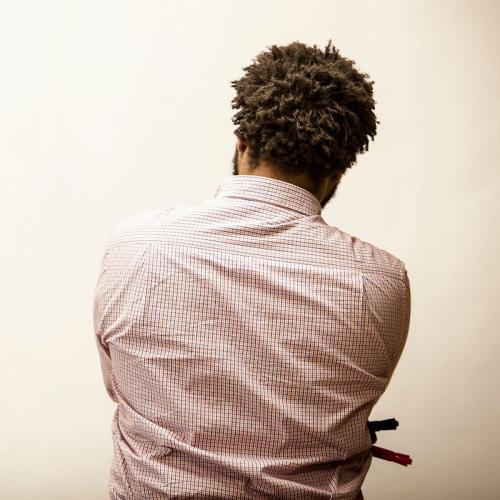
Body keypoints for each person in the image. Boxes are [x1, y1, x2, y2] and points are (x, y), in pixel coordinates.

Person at [93, 39, 411, 499]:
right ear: (338, 172)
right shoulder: (381, 280)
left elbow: (120, 384)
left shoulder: (137, 245)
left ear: (242, 144)